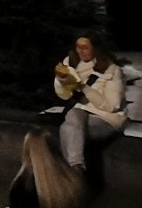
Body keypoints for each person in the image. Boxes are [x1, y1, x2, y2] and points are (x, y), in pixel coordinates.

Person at [53, 34, 128, 167]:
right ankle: (76, 167)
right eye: (78, 47)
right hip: (78, 115)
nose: (81, 51)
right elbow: (64, 96)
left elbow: (111, 106)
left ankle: (72, 171)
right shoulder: (70, 64)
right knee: (73, 118)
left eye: (85, 47)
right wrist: (61, 81)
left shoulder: (112, 70)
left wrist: (83, 87)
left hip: (106, 118)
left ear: (95, 49)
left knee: (68, 127)